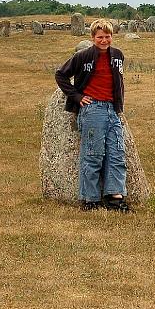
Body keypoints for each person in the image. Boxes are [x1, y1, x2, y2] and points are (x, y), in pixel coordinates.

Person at [55, 18, 130, 212]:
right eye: (100, 37)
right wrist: (77, 96)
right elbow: (61, 75)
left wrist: (118, 106)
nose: (104, 40)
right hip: (93, 108)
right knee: (93, 154)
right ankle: (91, 199)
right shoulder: (83, 56)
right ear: (92, 37)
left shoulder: (118, 56)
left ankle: (115, 197)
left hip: (112, 109)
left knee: (117, 153)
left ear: (112, 36)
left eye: (107, 36)